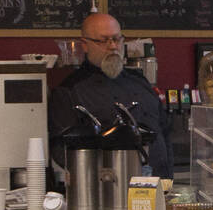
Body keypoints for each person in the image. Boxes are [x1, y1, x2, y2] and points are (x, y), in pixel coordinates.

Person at [47, 11, 171, 182]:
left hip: (159, 188)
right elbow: (62, 151)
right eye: (103, 40)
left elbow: (164, 132)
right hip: (110, 193)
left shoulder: (140, 82)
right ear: (85, 44)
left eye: (117, 39)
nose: (113, 46)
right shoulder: (69, 91)